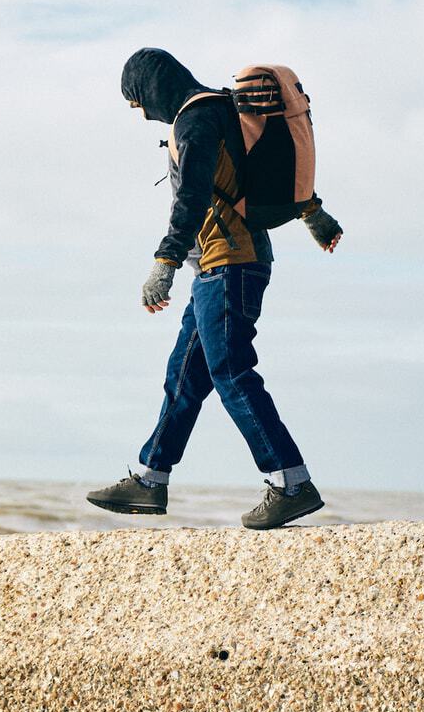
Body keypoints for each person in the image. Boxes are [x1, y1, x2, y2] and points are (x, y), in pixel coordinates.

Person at [86, 48, 343, 530]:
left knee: (232, 372)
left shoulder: (197, 119)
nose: (138, 113)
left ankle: (291, 484)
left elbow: (194, 194)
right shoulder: (224, 108)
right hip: (219, 266)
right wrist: (313, 214)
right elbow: (254, 175)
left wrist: (163, 262)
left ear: (150, 88)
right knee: (184, 376)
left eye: (134, 101)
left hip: (231, 263)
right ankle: (150, 479)